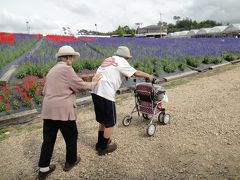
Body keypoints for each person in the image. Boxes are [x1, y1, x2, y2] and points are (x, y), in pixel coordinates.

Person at [37, 45, 102, 180]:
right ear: (67, 58)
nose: (72, 59)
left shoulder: (52, 70)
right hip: (63, 110)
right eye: (71, 57)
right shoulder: (67, 69)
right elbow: (80, 85)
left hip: (48, 110)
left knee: (48, 140)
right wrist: (93, 82)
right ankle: (70, 161)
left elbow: (44, 91)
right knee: (71, 136)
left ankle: (43, 169)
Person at [91, 46, 154, 156]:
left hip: (95, 91)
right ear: (125, 57)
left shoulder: (109, 59)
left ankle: (100, 143)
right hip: (106, 93)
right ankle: (103, 148)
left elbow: (111, 72)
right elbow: (136, 73)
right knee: (110, 122)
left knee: (103, 120)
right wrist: (149, 76)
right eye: (128, 59)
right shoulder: (122, 61)